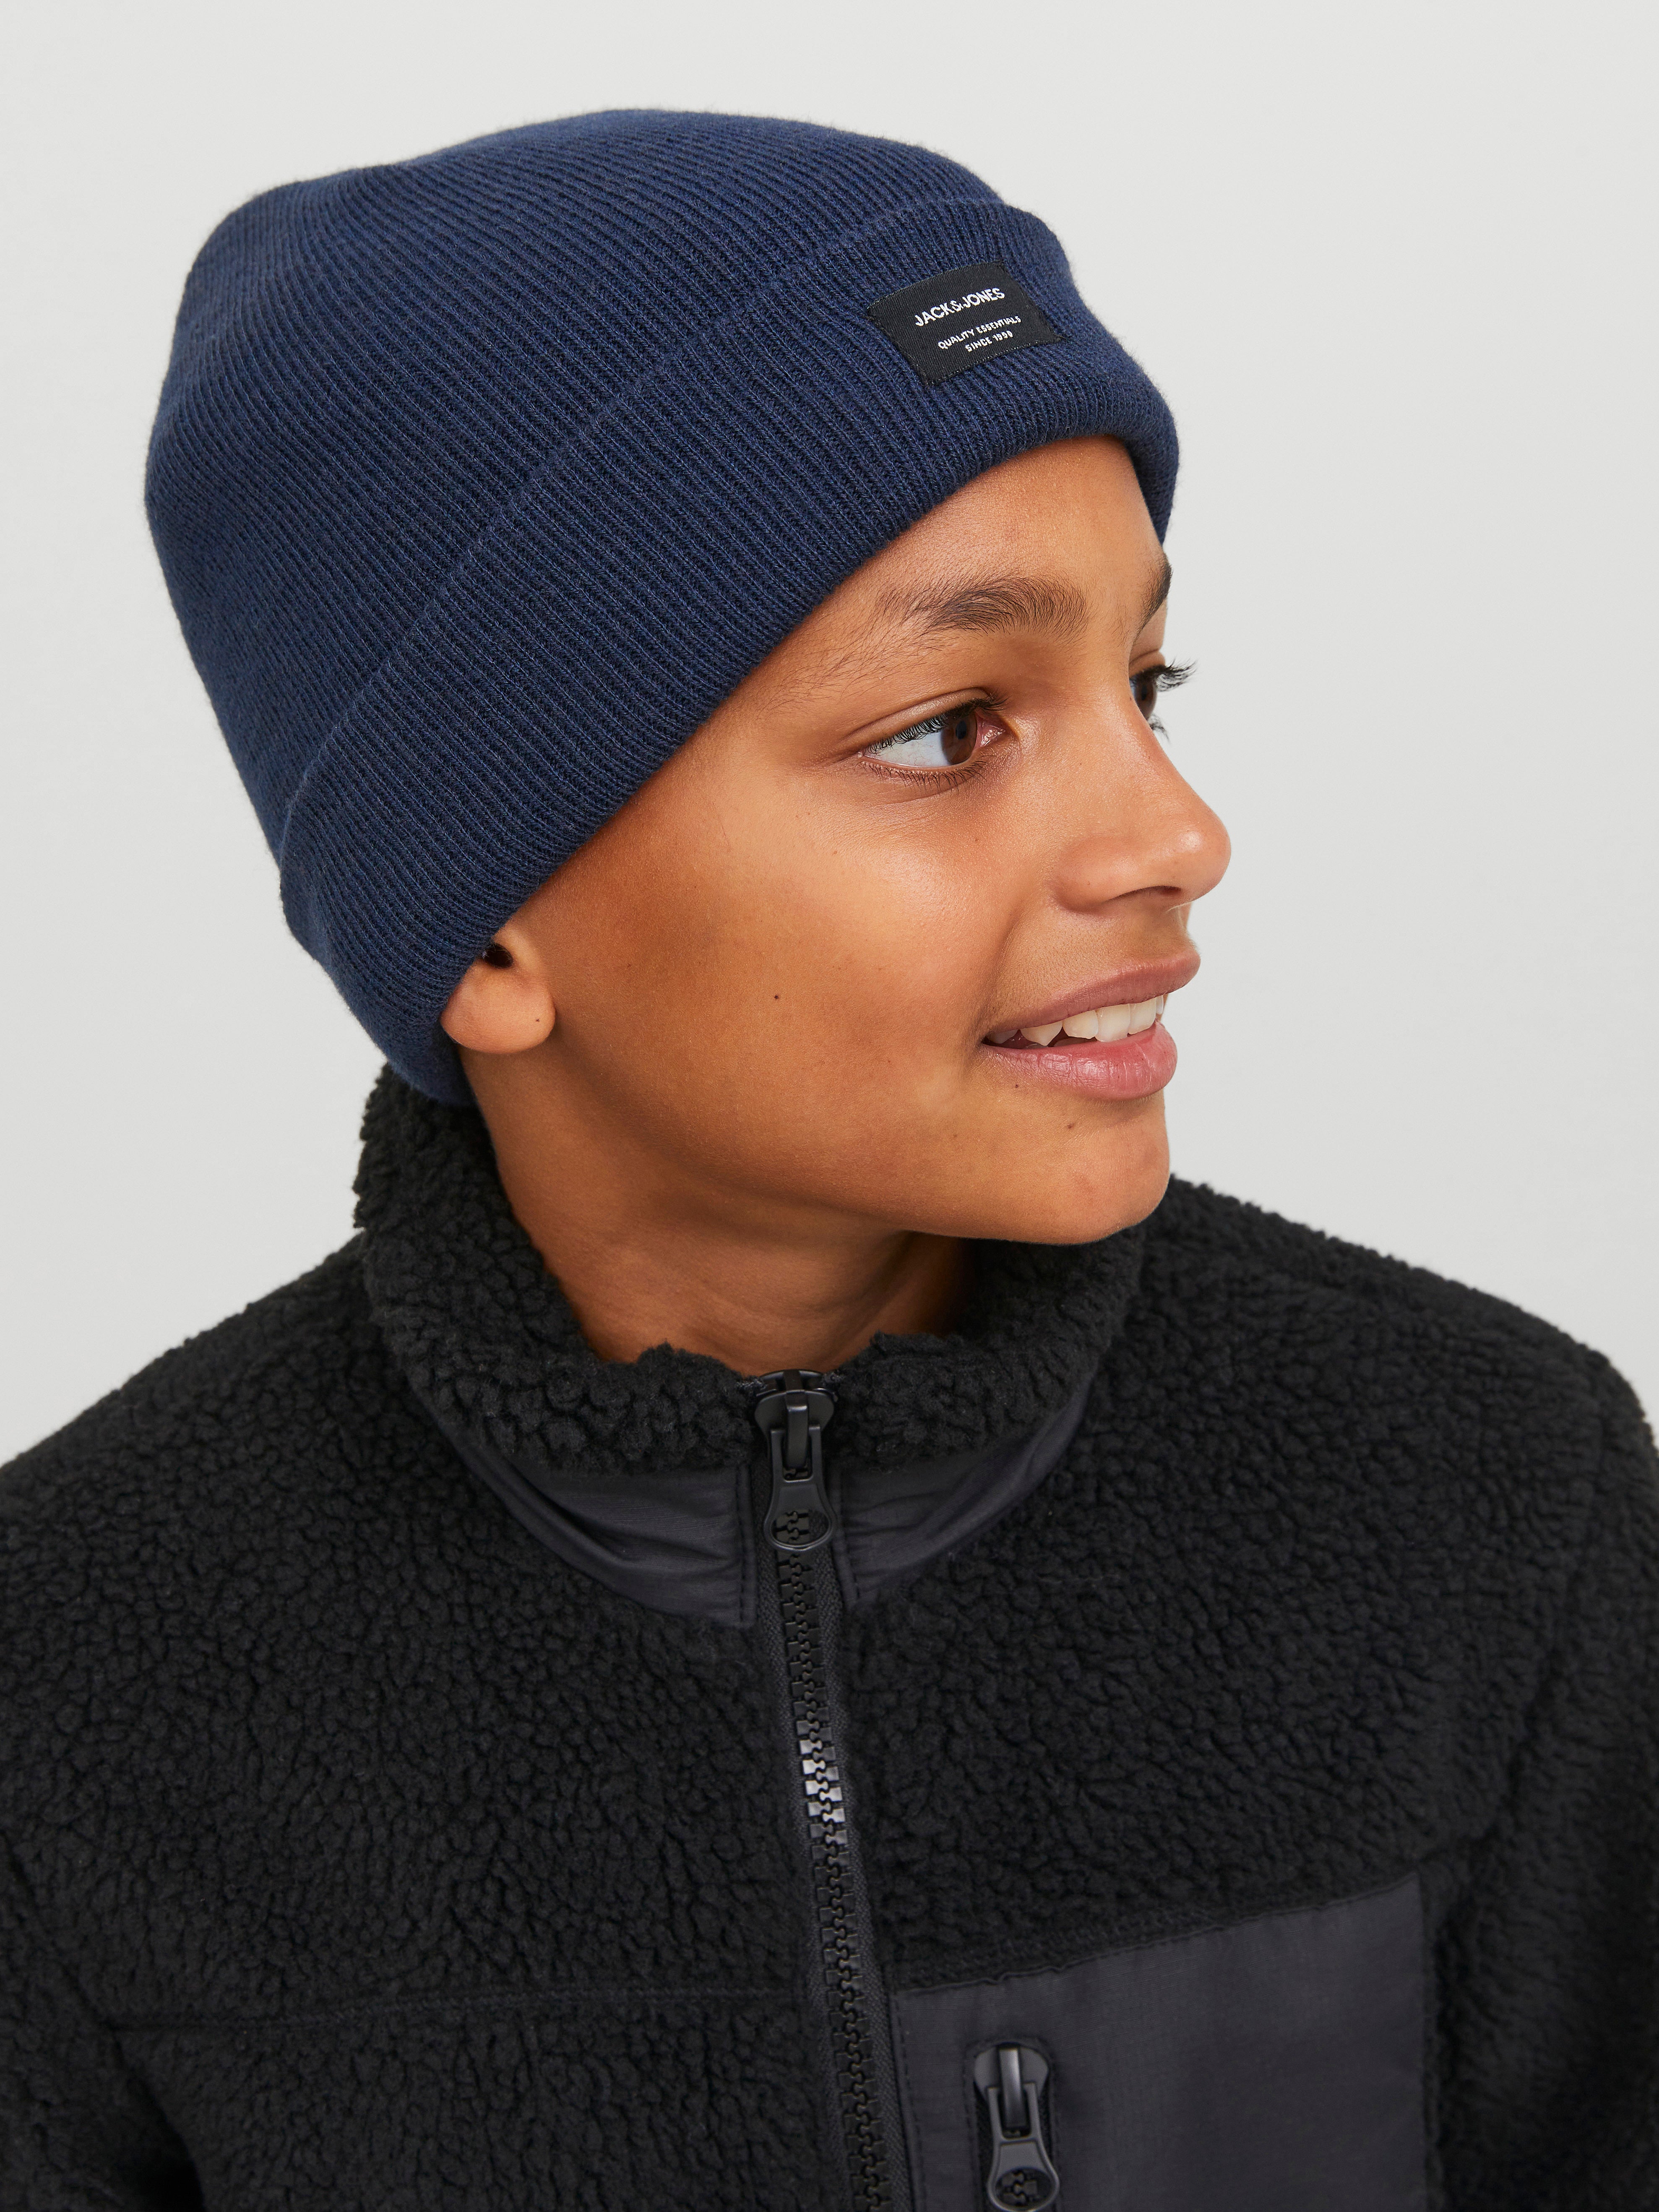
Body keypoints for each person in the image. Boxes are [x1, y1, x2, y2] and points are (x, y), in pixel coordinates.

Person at [0, 111, 1653, 2212]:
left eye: (1145, 681)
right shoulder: (73, 1683)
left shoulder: (1486, 1505)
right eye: (947, 727)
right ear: (483, 929)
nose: (1175, 833)